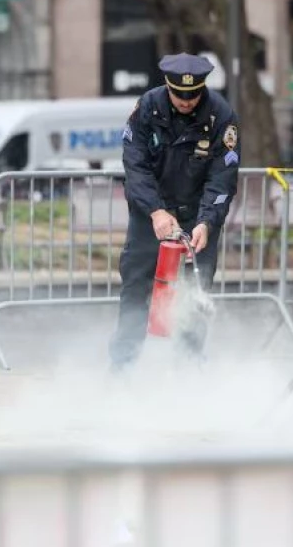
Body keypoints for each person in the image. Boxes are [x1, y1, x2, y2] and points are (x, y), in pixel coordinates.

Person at [110, 52, 242, 372]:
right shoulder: (147, 108)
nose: (186, 101)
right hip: (150, 218)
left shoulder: (221, 116)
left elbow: (222, 177)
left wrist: (207, 223)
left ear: (202, 88)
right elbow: (136, 166)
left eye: (193, 94)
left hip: (197, 218)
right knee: (136, 286)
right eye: (179, 95)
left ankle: (189, 366)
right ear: (168, 86)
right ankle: (123, 366)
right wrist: (156, 211)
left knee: (195, 292)